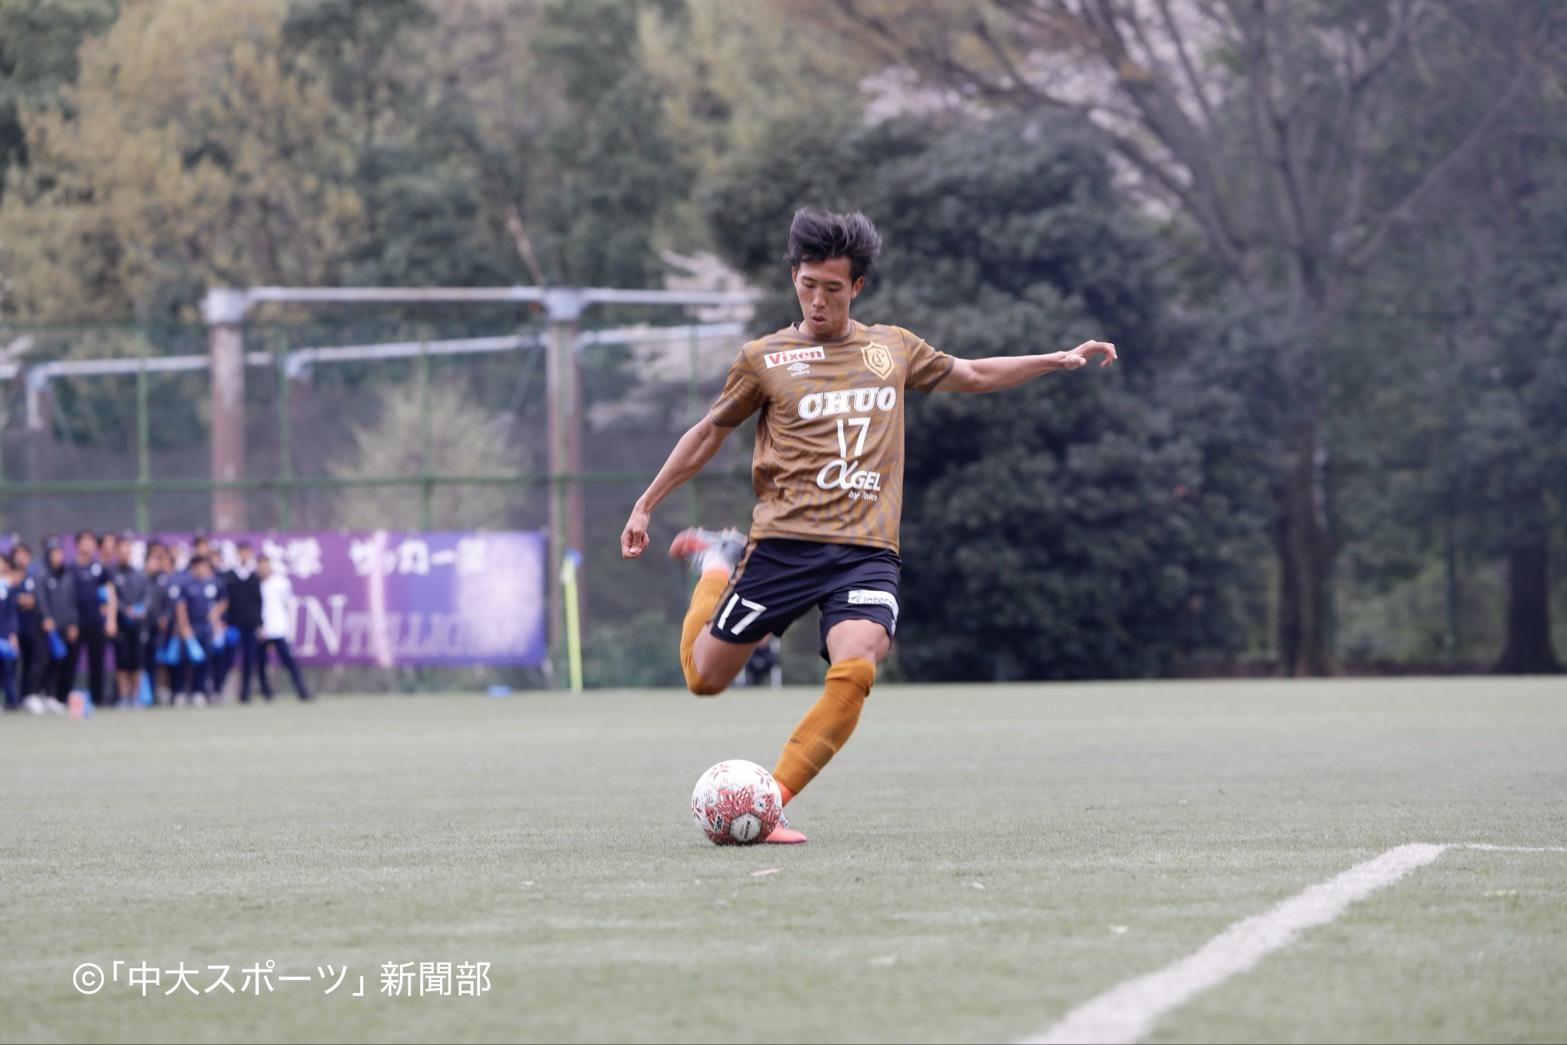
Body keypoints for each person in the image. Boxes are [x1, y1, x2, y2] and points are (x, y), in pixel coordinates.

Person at [620, 208, 1117, 843]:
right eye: (808, 285)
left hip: (864, 551)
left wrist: (1056, 359)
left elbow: (971, 373)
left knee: (856, 666)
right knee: (704, 679)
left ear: (856, 286)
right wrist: (646, 503)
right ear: (793, 278)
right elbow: (707, 434)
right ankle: (718, 562)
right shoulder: (763, 358)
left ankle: (770, 803)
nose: (818, 300)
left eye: (833, 287)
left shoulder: (892, 349)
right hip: (782, 548)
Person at [66, 530, 115, 707]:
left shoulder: (99, 568)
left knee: (97, 662)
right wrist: (69, 622)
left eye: (91, 541)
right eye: (84, 541)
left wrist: (111, 619)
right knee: (70, 662)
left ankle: (98, 698)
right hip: (76, 623)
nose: (88, 545)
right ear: (77, 545)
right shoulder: (70, 569)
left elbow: (110, 593)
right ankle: (63, 697)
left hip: (96, 622)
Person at [170, 554, 225, 706]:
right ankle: (180, 691)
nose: (201, 569)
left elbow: (224, 600)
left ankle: (198, 691)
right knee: (184, 661)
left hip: (206, 627)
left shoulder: (213, 583)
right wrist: (185, 627)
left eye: (204, 566)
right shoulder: (186, 584)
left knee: (205, 660)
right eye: (198, 566)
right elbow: (180, 606)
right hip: (190, 627)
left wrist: (216, 614)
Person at [256, 552, 311, 702]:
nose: (263, 568)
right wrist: (259, 626)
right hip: (261, 630)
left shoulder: (281, 583)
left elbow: (287, 603)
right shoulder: (254, 584)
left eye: (266, 565)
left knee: (289, 661)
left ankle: (301, 690)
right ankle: (266, 693)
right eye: (261, 566)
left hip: (278, 628)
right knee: (261, 664)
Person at [107, 533, 151, 707]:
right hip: (120, 624)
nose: (125, 553)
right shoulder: (112, 573)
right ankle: (123, 697)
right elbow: (112, 598)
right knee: (122, 662)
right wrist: (125, 610)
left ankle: (135, 697)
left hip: (139, 625)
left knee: (137, 662)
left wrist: (141, 609)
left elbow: (147, 596)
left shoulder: (140, 574)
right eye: (122, 549)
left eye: (127, 549)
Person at [38, 536, 78, 712]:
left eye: (59, 552)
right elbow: (41, 599)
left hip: (63, 626)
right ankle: (38, 694)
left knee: (59, 662)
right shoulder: (42, 574)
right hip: (46, 627)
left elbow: (72, 601)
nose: (57, 555)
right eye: (54, 552)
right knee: (43, 661)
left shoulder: (67, 575)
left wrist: (72, 623)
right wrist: (46, 618)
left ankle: (53, 696)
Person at [224, 541, 264, 703]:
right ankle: (219, 689)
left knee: (248, 659)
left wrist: (259, 623)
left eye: (247, 552)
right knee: (228, 657)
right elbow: (224, 600)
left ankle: (245, 692)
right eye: (242, 552)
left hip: (250, 625)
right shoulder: (229, 575)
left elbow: (258, 602)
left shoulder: (253, 577)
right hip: (233, 624)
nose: (244, 555)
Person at [10, 542, 47, 708]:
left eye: (24, 554)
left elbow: (36, 599)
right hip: (12, 629)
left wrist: (29, 600)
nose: (21, 557)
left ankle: (28, 696)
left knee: (31, 663)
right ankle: (12, 699)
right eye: (17, 554)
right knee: (10, 666)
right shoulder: (8, 577)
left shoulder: (35, 576)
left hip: (31, 628)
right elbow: (12, 599)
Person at [0, 554, 20, 712]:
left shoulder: (8, 586)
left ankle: (12, 702)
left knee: (7, 670)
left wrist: (12, 633)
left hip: (4, 635)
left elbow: (12, 612)